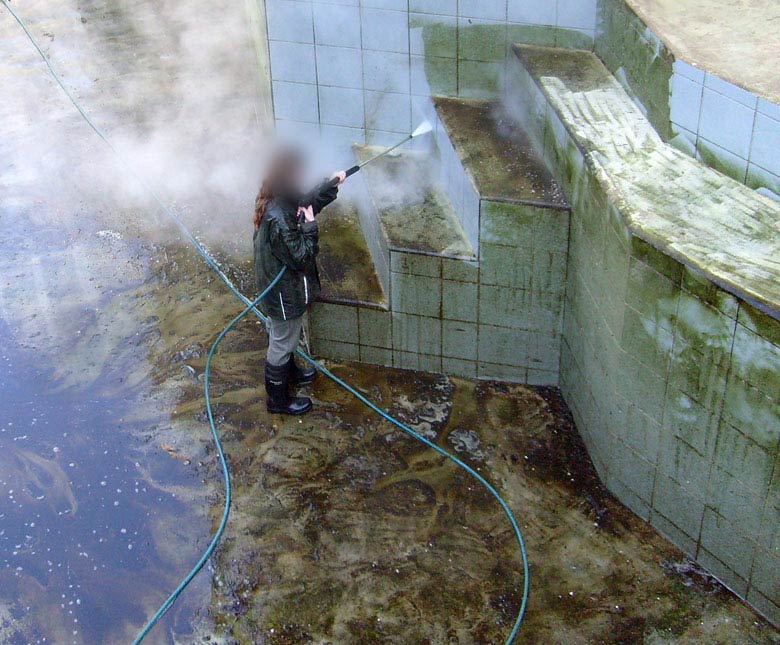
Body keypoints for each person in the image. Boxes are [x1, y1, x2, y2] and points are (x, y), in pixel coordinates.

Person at [253, 146, 346, 415]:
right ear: (287, 174)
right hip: (283, 295)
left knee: (284, 337)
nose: (302, 176)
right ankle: (277, 401)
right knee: (281, 342)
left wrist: (329, 186)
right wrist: (310, 226)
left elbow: (305, 202)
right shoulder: (279, 217)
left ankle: (289, 374)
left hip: (280, 291)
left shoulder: (279, 197)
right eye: (299, 172)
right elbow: (302, 256)